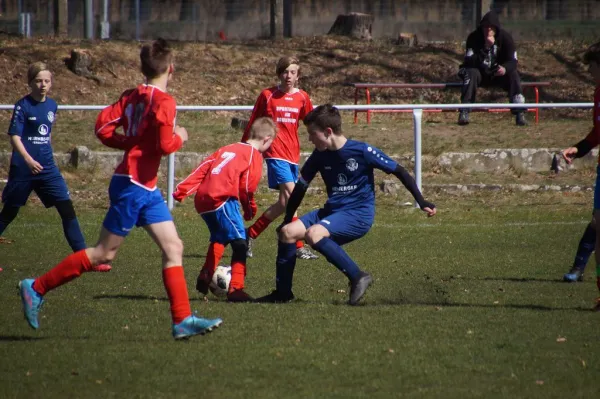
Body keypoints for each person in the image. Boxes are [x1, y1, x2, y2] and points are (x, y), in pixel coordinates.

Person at [18, 39, 222, 339]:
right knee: (103, 254)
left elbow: (102, 128)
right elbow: (166, 145)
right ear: (171, 68)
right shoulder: (165, 102)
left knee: (173, 246)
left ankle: (182, 320)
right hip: (133, 186)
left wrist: (130, 143)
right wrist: (181, 136)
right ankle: (35, 288)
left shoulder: (132, 96)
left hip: (144, 185)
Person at [257, 104, 437, 305]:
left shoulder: (362, 151)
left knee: (314, 234)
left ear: (328, 132)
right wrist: (287, 219)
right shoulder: (319, 155)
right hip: (331, 212)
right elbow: (300, 188)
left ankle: (358, 276)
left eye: (312, 133)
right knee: (287, 233)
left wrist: (421, 201)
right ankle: (283, 294)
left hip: (358, 214)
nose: (309, 139)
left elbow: (399, 171)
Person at [1, 62, 110, 272]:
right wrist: (28, 160)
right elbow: (15, 136)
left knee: (66, 208)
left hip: (48, 169)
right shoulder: (22, 106)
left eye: (47, 81)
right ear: (30, 82)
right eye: (39, 81)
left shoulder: (52, 105)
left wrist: (46, 156)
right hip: (24, 168)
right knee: (9, 213)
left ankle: (84, 259)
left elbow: (46, 134)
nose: (43, 85)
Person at [173, 117, 277, 302]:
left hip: (203, 201)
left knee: (220, 237)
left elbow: (203, 168)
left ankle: (206, 275)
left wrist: (183, 189)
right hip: (222, 199)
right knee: (240, 243)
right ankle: (236, 289)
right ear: (267, 139)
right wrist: (249, 207)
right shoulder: (253, 155)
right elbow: (247, 187)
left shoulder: (227, 148)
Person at [242, 56, 319, 260]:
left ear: (298, 75)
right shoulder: (267, 95)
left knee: (285, 203)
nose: (288, 76)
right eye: (285, 72)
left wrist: (322, 141)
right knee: (294, 196)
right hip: (274, 153)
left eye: (293, 72)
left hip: (292, 154)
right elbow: (253, 122)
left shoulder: (302, 97)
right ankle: (299, 244)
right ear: (279, 73)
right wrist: (244, 148)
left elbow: (311, 122)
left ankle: (250, 234)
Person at [560, 41, 600, 310]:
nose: (591, 73)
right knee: (598, 225)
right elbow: (598, 131)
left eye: (594, 68)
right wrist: (580, 147)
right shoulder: (598, 93)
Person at [457, 10, 527, 126]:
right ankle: (464, 111)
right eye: (485, 27)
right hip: (480, 73)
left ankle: (520, 112)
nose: (488, 30)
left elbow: (513, 61)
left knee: (513, 74)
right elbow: (469, 61)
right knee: (471, 73)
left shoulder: (506, 38)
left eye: (491, 27)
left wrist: (504, 68)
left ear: (496, 29)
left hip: (498, 74)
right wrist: (485, 48)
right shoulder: (474, 38)